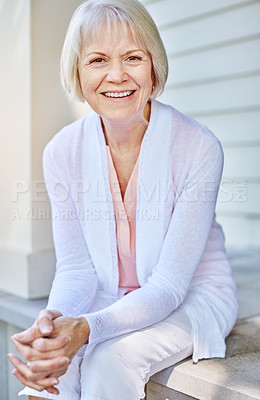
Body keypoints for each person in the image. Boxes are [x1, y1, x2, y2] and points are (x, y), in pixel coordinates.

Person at [7, 0, 238, 399]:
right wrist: (54, 323)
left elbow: (168, 286)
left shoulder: (198, 148)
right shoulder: (61, 152)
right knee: (52, 372)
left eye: (133, 57)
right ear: (77, 73)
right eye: (97, 59)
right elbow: (77, 270)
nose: (117, 75)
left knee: (109, 357)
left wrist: (86, 329)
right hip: (105, 295)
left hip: (192, 297)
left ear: (153, 67)